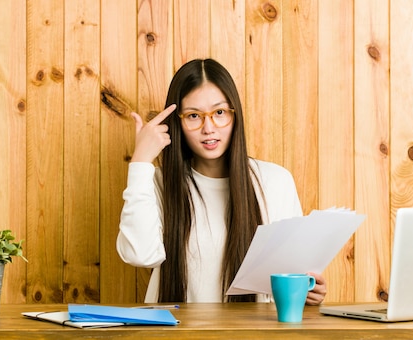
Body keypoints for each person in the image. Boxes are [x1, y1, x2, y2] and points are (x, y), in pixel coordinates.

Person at [116, 58, 326, 305]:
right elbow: (140, 255)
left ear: (234, 115)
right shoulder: (157, 184)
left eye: (219, 113)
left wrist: (308, 292)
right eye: (194, 115)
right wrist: (140, 162)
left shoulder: (275, 181)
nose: (209, 128)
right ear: (178, 123)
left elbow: (292, 275)